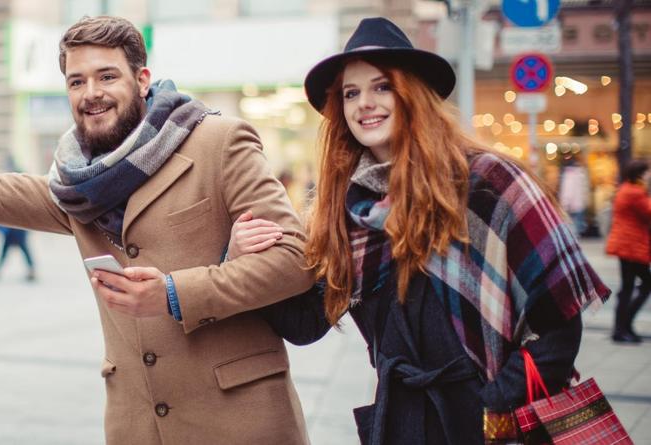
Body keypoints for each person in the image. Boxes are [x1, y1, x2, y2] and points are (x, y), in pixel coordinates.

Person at [0, 7, 313, 443]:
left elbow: (295, 261)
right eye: (77, 81)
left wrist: (175, 294)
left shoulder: (219, 142)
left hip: (240, 422)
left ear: (141, 80)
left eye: (107, 77)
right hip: (136, 427)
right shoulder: (72, 188)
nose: (92, 93)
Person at [234, 18, 609, 444]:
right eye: (350, 93)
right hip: (403, 422)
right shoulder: (347, 211)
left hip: (491, 422)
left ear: (412, 92)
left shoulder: (489, 183)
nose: (364, 104)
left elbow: (559, 328)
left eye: (382, 87)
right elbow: (305, 323)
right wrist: (246, 258)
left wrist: (494, 402)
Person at [605, 160, 651, 343]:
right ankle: (622, 327)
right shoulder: (634, 193)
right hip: (631, 247)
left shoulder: (626, 189)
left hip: (628, 246)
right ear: (640, 174)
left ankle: (623, 327)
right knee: (640, 285)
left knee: (628, 287)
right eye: (648, 172)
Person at [558, 158, 590, 236]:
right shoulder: (581, 174)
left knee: (570, 225)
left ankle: (572, 238)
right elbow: (585, 189)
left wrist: (565, 203)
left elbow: (567, 190)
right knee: (577, 226)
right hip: (579, 203)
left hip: (570, 204)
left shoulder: (568, 175)